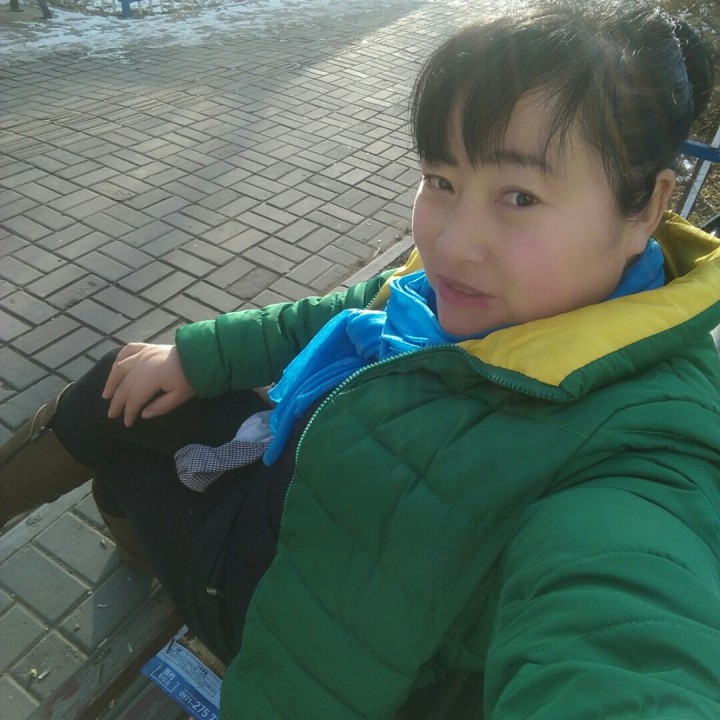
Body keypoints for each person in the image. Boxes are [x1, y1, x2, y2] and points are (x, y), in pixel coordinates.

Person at [2, 1, 720, 717]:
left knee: (119, 442)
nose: (450, 243)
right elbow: (351, 307)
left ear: (645, 208)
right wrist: (197, 355)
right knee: (130, 377)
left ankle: (143, 548)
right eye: (441, 180)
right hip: (293, 500)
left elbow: (628, 634)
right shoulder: (475, 297)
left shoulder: (638, 451)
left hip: (280, 624)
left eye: (520, 196)